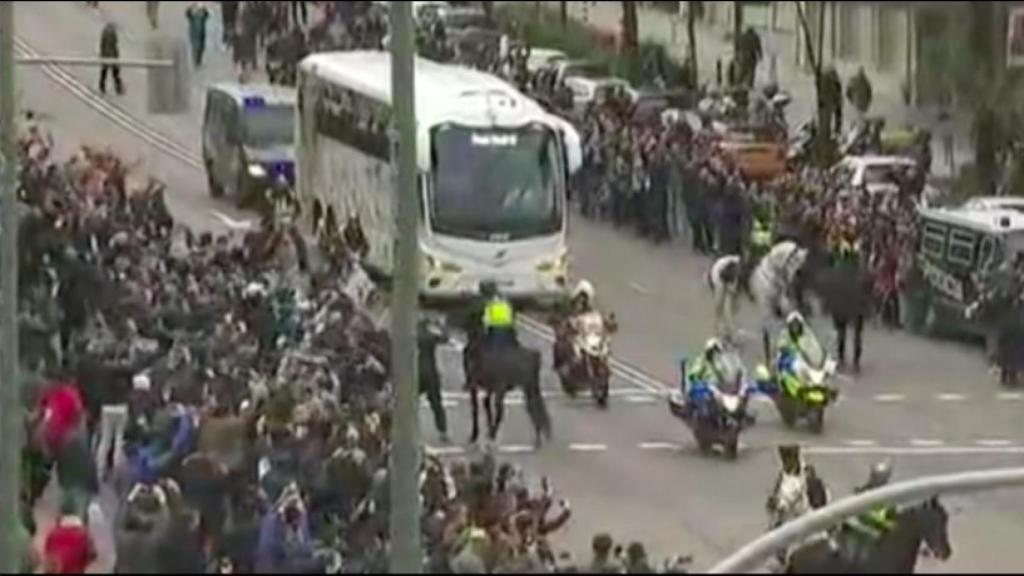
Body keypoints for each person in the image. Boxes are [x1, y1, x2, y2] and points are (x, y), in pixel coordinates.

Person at [684, 338, 726, 420]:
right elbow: (693, 374)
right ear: (709, 351)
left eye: (717, 352)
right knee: (704, 405)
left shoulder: (718, 365)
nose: (715, 354)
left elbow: (725, 376)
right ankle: (701, 416)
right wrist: (699, 382)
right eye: (713, 351)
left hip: (716, 390)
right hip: (703, 389)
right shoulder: (702, 361)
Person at [708, 254, 743, 345]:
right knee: (719, 308)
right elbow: (720, 303)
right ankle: (718, 334)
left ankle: (729, 333)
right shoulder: (717, 276)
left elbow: (734, 289)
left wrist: (733, 295)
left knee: (731, 308)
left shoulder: (738, 266)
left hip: (728, 273)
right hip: (717, 276)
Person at [99, 22, 124, 96]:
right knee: (115, 73)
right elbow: (116, 42)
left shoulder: (104, 32)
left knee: (104, 72)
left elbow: (102, 44)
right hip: (112, 55)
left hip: (105, 55)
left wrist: (102, 54)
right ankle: (118, 88)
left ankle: (102, 86)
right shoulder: (112, 33)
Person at [186, 2, 211, 68]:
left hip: (202, 33)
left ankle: (198, 60)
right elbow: (188, 14)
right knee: (195, 46)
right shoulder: (192, 15)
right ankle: (195, 61)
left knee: (201, 47)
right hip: (194, 33)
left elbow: (207, 15)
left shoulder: (202, 14)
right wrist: (191, 7)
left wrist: (204, 8)